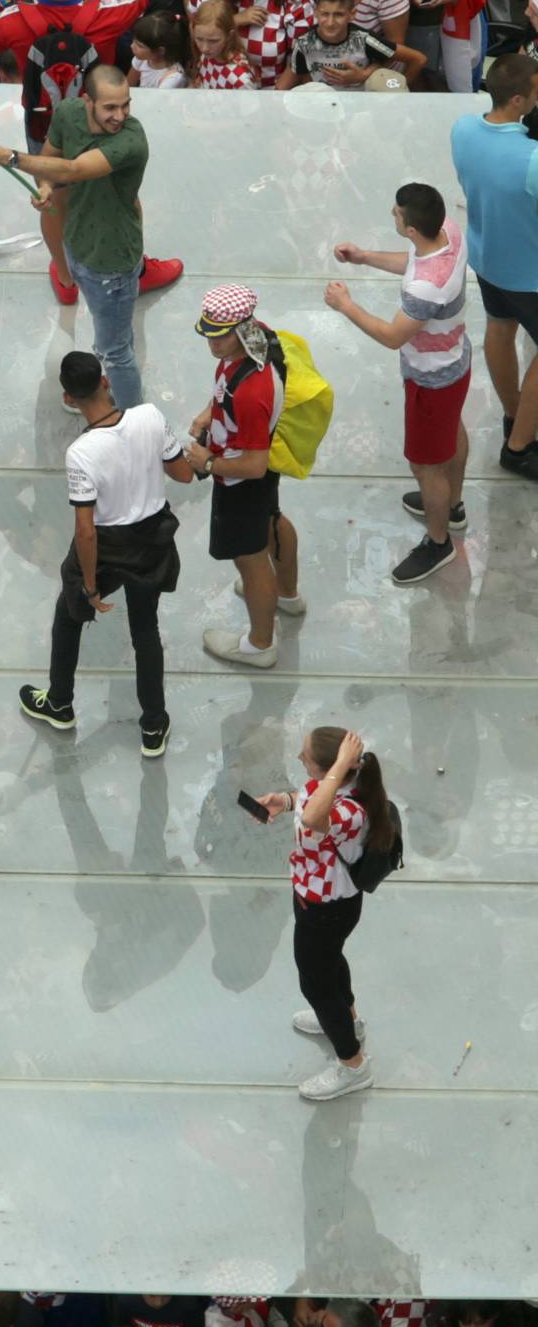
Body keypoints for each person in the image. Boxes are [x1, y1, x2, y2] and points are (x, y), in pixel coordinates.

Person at [19, 349, 194, 757]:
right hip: (153, 539)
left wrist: (91, 586)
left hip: (109, 544)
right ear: (106, 381)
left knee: (68, 616)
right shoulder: (150, 417)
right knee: (145, 632)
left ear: (68, 399)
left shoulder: (81, 453)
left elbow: (86, 530)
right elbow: (184, 473)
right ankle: (153, 725)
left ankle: (60, 703)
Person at [0, 63, 174, 408]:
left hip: (111, 261)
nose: (120, 115)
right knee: (114, 333)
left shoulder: (130, 140)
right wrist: (47, 188)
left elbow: (75, 168)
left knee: (115, 353)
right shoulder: (68, 113)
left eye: (125, 104)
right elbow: (51, 160)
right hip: (77, 243)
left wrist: (9, 157)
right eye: (110, 107)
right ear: (87, 101)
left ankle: (130, 419)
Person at [325, 182, 472, 585]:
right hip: (457, 359)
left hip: (431, 379)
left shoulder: (426, 287)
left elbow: (393, 336)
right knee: (452, 431)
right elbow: (414, 261)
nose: (392, 214)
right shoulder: (449, 232)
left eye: (396, 214)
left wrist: (346, 305)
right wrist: (366, 257)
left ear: (411, 229)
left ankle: (439, 541)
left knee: (425, 466)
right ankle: (452, 507)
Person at [256, 727, 398, 1106]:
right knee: (330, 962)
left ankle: (352, 1065)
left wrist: (333, 769)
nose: (300, 759)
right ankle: (348, 1018)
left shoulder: (346, 810)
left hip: (326, 910)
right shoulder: (335, 788)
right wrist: (284, 802)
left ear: (334, 769)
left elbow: (317, 815)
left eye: (306, 756)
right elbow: (308, 800)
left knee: (315, 984)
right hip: (318, 901)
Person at [182, 285, 304, 670]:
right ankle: (287, 594)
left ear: (240, 328)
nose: (212, 344)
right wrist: (208, 412)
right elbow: (226, 389)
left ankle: (259, 644)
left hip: (240, 481)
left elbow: (252, 465)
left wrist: (207, 463)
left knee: (250, 563)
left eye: (220, 335)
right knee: (273, 519)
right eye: (209, 333)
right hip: (263, 478)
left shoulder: (251, 395)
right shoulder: (260, 338)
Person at [448, 56, 538, 486]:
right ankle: (520, 446)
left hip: (486, 258)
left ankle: (513, 412)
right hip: (530, 273)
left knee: (500, 331)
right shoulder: (531, 159)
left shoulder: (463, 130)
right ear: (519, 99)